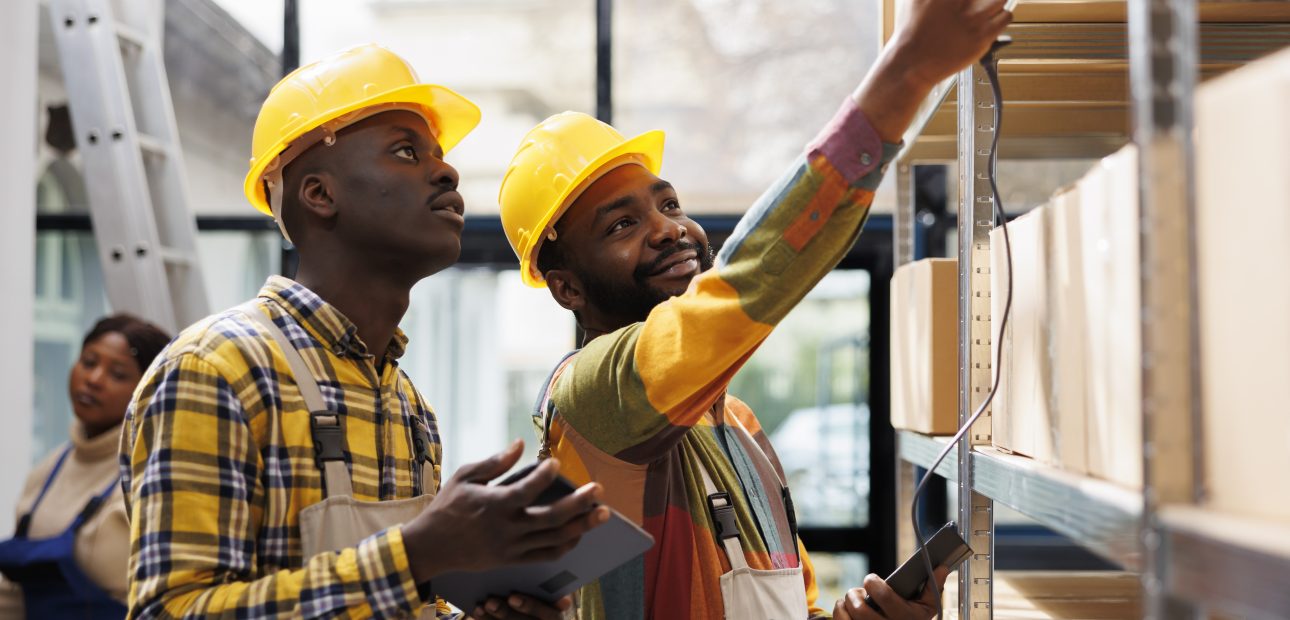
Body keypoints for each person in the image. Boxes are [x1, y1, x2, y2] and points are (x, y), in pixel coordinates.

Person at [496, 0, 1012, 617]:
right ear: (568, 290)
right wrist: (906, 73)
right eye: (622, 225)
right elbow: (751, 282)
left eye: (668, 204)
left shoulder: (739, 425)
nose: (668, 229)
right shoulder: (590, 398)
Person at [119, 44, 608, 619]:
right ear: (319, 194)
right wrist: (416, 554)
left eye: (438, 154)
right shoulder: (217, 370)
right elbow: (171, 610)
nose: (447, 171)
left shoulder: (408, 406)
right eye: (406, 151)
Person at [0, 314, 170, 619]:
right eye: (89, 362)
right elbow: (14, 591)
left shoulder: (152, 476)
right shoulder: (49, 469)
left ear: (149, 391)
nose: (94, 379)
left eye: (117, 374)